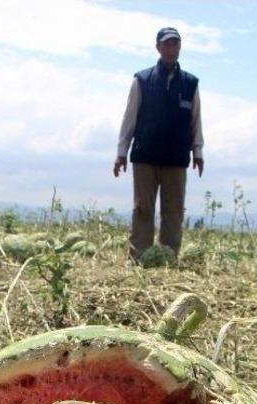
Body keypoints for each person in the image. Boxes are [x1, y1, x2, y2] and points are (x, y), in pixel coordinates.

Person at [114, 27, 204, 262]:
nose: (172, 48)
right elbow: (129, 117)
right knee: (143, 208)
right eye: (167, 44)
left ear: (180, 48)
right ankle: (139, 257)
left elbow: (196, 120)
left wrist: (198, 151)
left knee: (173, 211)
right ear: (158, 48)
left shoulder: (190, 83)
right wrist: (121, 151)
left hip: (176, 157)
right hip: (145, 154)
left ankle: (168, 258)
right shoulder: (142, 80)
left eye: (176, 44)